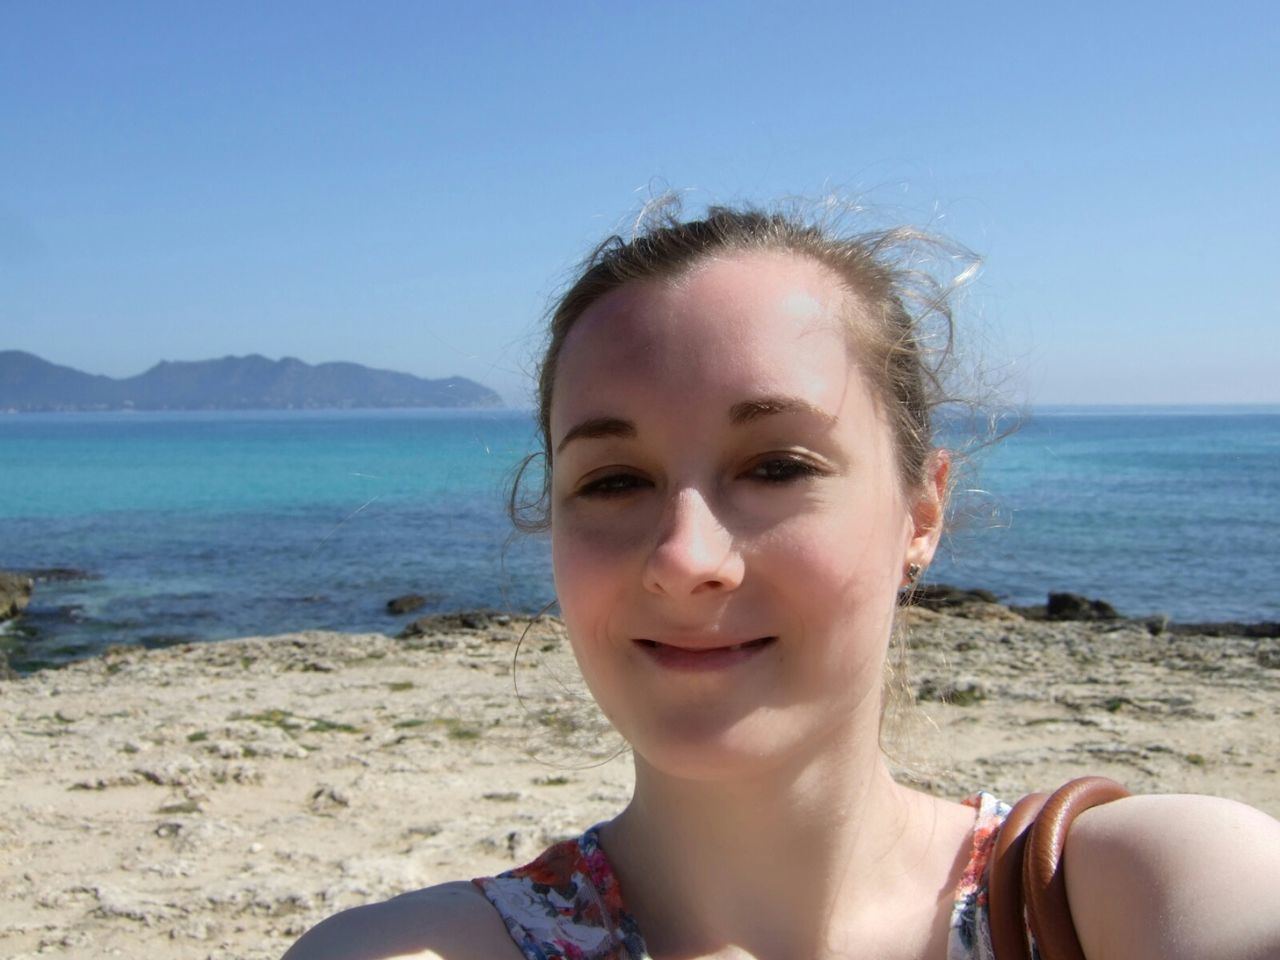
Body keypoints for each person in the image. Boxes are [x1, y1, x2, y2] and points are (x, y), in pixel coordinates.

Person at [284, 201, 1280, 960]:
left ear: (920, 514)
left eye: (776, 467)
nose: (684, 557)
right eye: (615, 479)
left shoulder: (1132, 892)